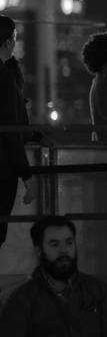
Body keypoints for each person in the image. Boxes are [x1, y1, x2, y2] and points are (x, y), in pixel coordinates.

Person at [0, 215, 107, 337]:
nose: (64, 250)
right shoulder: (23, 299)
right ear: (39, 251)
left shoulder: (95, 289)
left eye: (69, 243)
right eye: (54, 244)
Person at [0, 15, 36, 250]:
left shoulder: (6, 74)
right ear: (7, 41)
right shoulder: (5, 78)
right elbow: (10, 130)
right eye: (14, 38)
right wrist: (27, 176)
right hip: (3, 172)